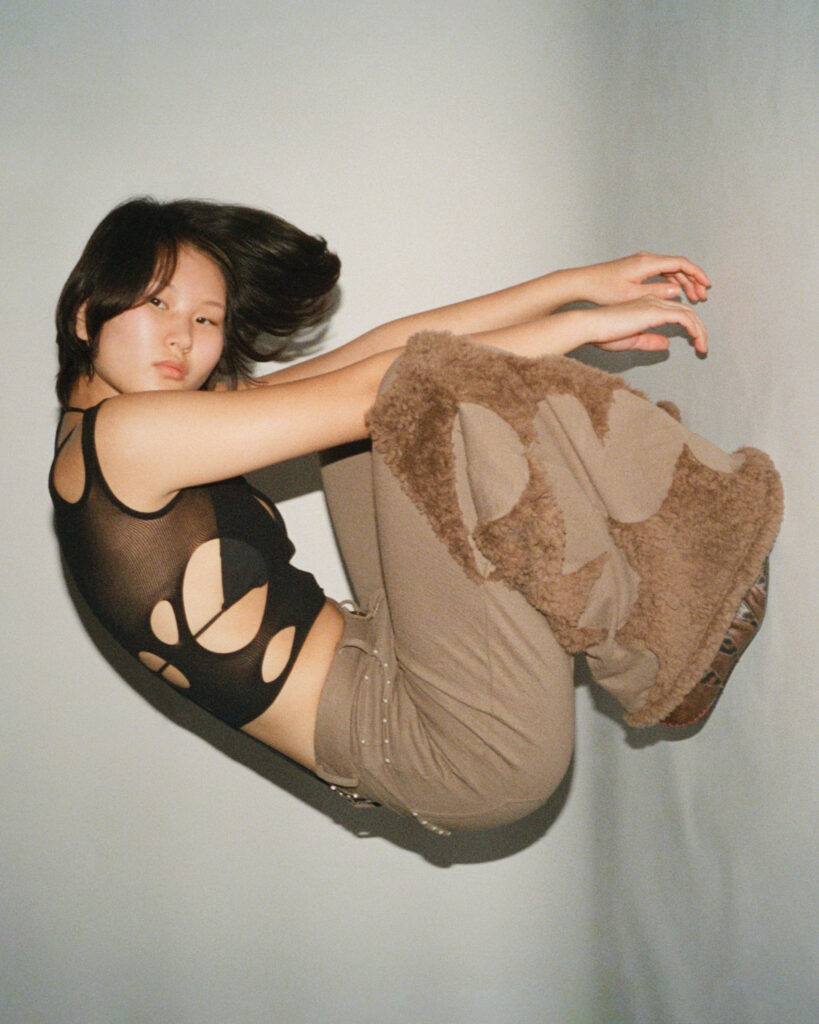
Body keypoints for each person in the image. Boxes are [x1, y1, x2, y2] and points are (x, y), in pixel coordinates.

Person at [50, 197, 782, 834]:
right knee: (415, 396)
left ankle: (629, 592)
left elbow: (379, 351)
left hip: (393, 660)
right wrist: (576, 330)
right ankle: (663, 646)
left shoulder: (118, 433)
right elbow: (389, 382)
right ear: (87, 313)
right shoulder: (124, 438)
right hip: (449, 748)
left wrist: (575, 292)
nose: (182, 336)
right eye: (158, 304)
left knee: (372, 425)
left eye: (205, 317)